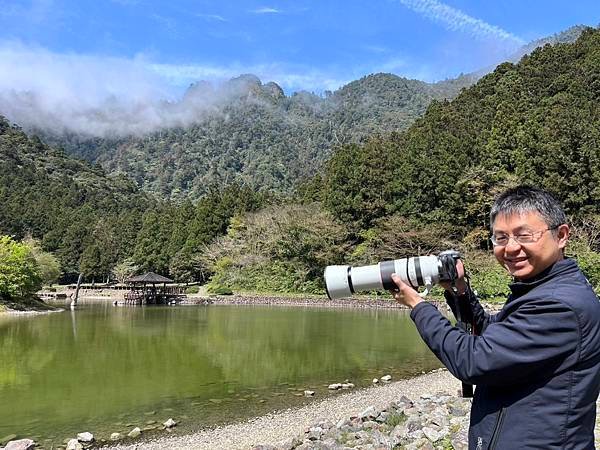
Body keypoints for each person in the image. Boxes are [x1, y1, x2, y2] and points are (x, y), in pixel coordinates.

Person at [390, 186, 600, 450]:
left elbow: (474, 360)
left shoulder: (560, 305)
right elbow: (496, 336)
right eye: (500, 238)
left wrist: (418, 306)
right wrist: (460, 292)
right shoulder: (540, 288)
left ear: (561, 236)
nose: (511, 248)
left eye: (525, 235)